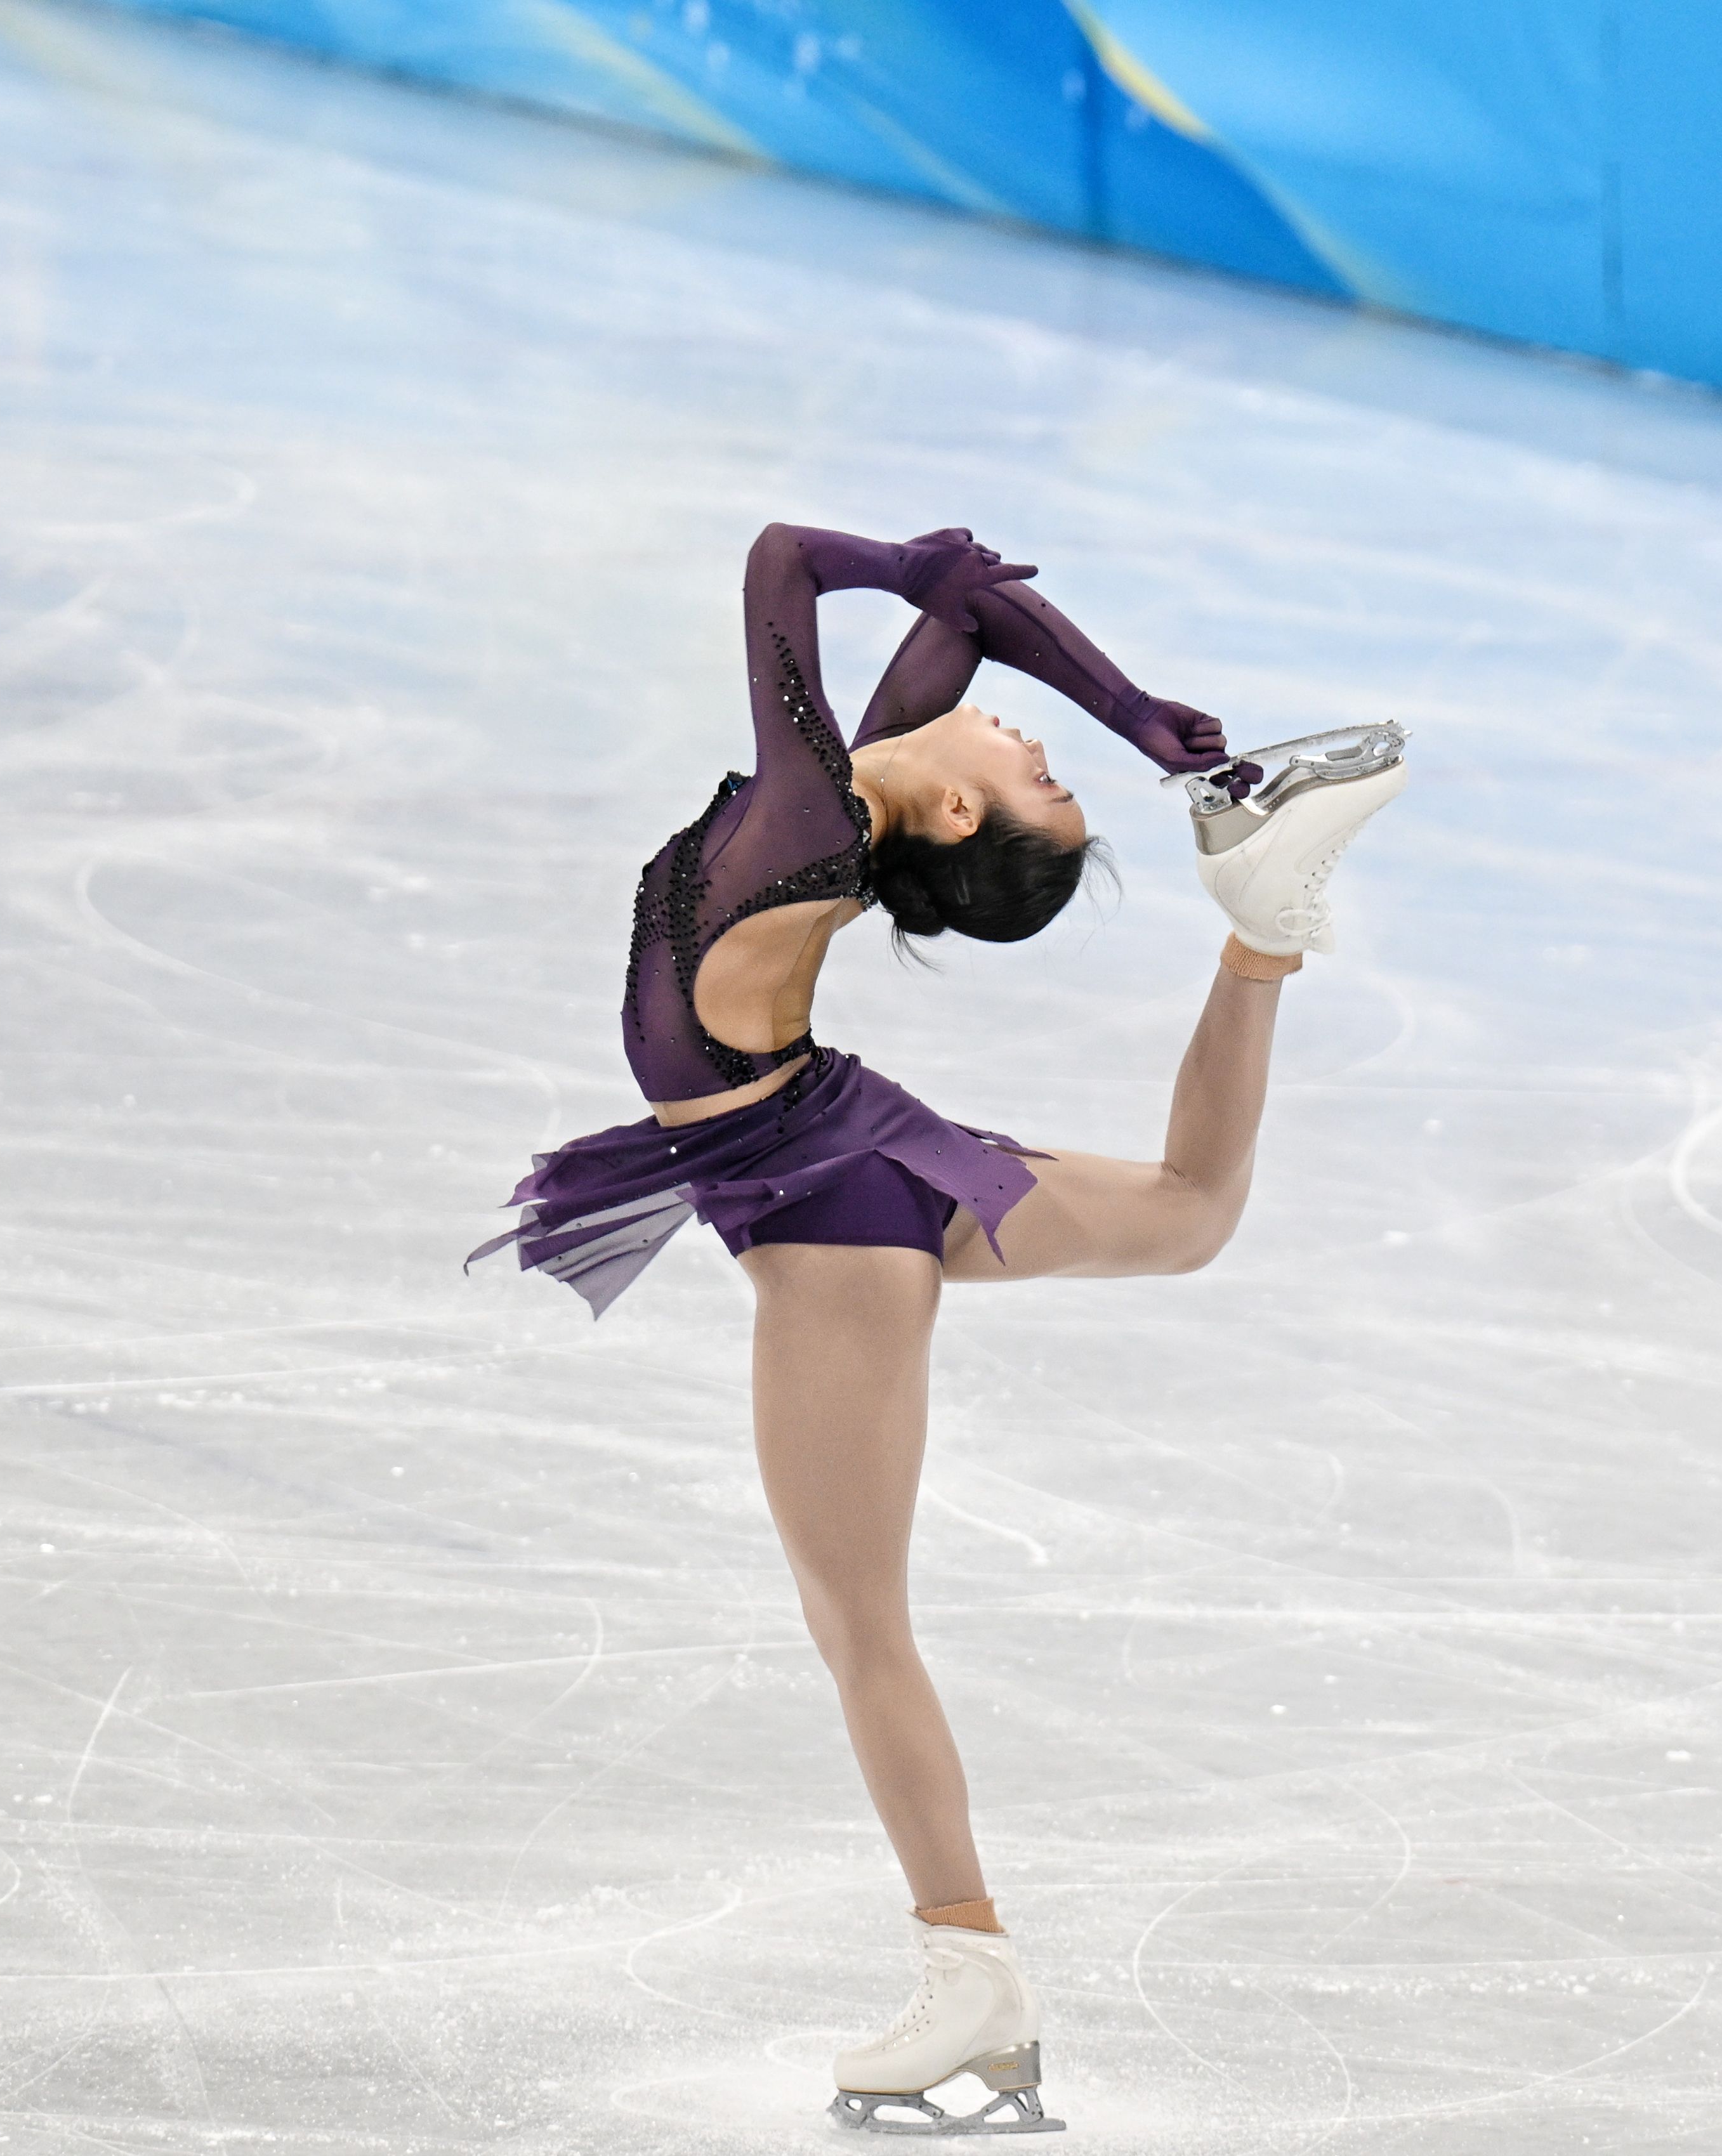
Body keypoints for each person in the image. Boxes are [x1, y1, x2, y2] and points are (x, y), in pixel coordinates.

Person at [471, 522, 1405, 2134]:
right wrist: (1135, 719)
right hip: (843, 1131)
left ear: (956, 815)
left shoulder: (814, 809)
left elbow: (781, 562)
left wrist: (891, 564)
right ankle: (1262, 928)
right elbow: (976, 609)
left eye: (1041, 775)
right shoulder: (870, 781)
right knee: (1188, 1210)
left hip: (828, 1207)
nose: (1033, 745)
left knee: (859, 1625)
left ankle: (970, 1975)